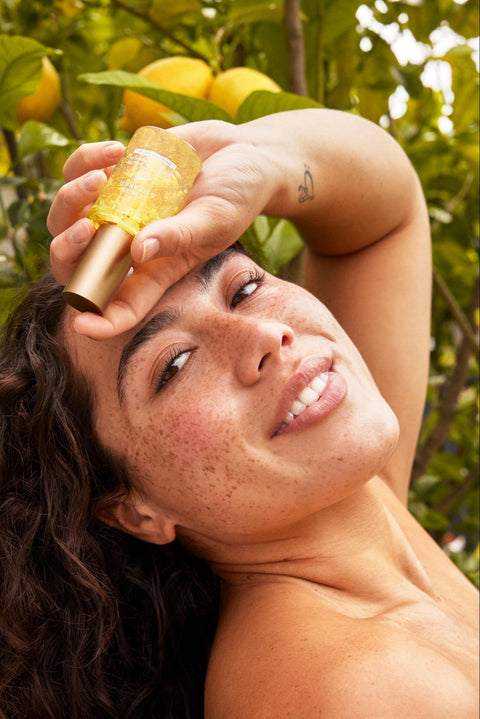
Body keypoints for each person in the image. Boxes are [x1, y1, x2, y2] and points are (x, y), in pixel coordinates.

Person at [0, 110, 478, 718]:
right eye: (173, 366)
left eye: (243, 288)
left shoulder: (361, 508)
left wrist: (258, 159)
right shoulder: (357, 689)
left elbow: (381, 216)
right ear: (134, 511)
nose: (264, 335)